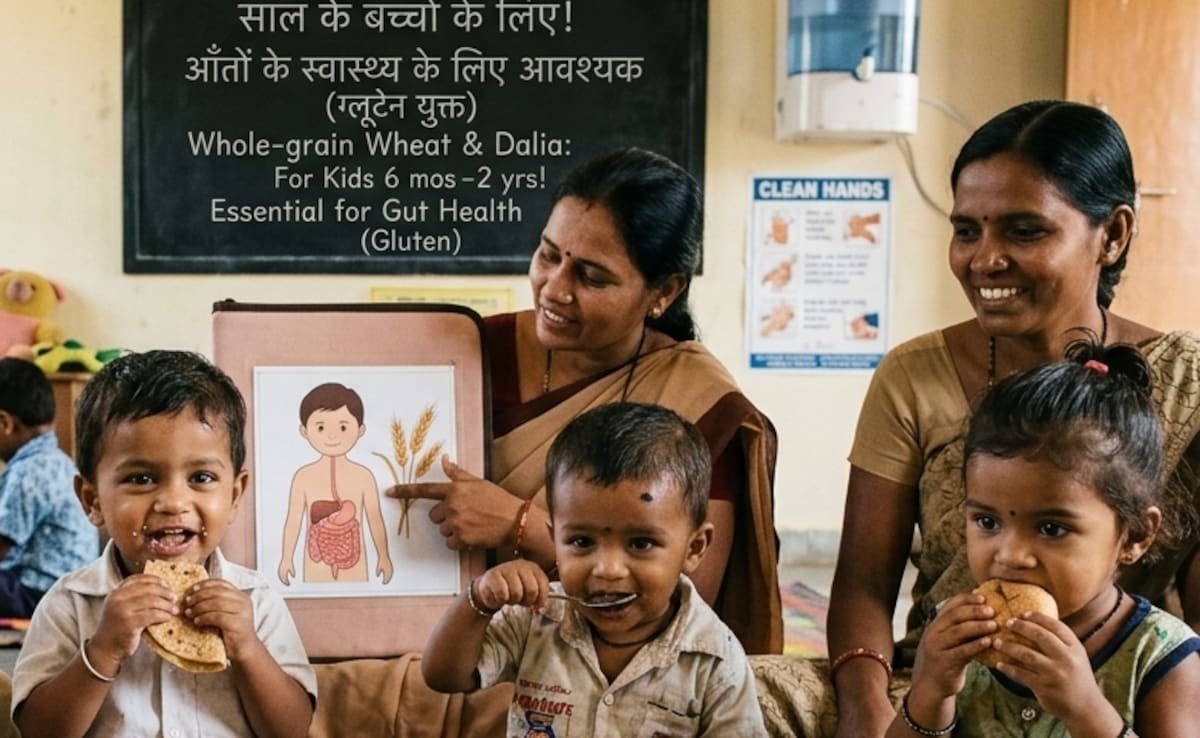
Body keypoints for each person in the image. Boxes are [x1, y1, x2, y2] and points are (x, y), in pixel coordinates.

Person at [809, 99, 1200, 737]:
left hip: (1119, 687)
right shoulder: (912, 376)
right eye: (967, 230)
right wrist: (871, 712)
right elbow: (861, 583)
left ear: (1114, 234)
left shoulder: (1187, 380)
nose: (984, 259)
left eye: (1024, 231)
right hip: (942, 675)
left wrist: (1101, 701)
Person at [389, 146, 781, 655]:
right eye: (549, 255)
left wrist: (521, 527)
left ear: (663, 291)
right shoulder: (476, 350)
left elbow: (683, 606)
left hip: (586, 667)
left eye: (592, 277)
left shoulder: (697, 403)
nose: (554, 289)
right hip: (437, 642)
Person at [890, 341, 1200, 738]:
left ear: (1134, 535)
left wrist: (1086, 711)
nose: (1010, 554)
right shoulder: (955, 632)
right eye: (987, 521)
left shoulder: (1161, 658)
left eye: (1052, 528)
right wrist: (931, 692)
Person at [11, 350, 316, 738]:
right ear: (92, 500)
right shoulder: (70, 603)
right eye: (141, 479)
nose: (173, 502)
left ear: (236, 494)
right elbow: (38, 731)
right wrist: (102, 649)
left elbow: (292, 730)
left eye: (201, 477)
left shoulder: (255, 601)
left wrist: (248, 648)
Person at [421, 402, 766, 736]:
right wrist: (479, 601)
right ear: (555, 539)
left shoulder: (715, 660)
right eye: (582, 542)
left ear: (694, 547)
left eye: (641, 544)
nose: (608, 569)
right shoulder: (535, 617)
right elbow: (444, 677)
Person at [0, 357, 96, 617]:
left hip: (39, 594)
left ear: (5, 423)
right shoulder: (57, 461)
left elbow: (2, 546)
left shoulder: (27, 471)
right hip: (69, 588)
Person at [278, 381, 393, 586]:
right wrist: (286, 557)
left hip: (354, 556)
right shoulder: (303, 477)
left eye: (342, 427)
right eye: (321, 427)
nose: (332, 435)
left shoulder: (364, 476)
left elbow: (375, 518)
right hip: (316, 557)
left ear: (360, 429)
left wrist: (384, 555)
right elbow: (293, 519)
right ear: (304, 431)